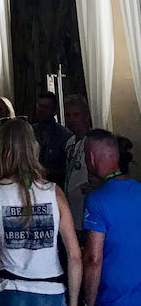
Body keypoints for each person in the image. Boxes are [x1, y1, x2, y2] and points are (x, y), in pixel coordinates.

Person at [0, 119, 82, 306]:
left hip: (12, 290)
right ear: (33, 148)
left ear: (1, 150)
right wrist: (74, 301)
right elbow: (75, 256)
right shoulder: (55, 192)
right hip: (52, 291)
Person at [82, 130, 141, 305]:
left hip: (112, 298)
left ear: (91, 158)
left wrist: (88, 301)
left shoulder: (96, 200)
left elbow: (93, 259)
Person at [64, 95, 92, 236]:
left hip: (87, 209)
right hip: (71, 209)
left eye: (76, 115)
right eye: (68, 115)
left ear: (86, 117)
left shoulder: (93, 142)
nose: (71, 119)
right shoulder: (70, 142)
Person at [33, 91, 72, 187]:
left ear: (55, 110)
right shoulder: (30, 132)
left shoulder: (65, 136)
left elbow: (70, 169)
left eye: (46, 107)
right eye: (39, 106)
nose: (42, 110)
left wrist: (50, 171)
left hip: (57, 187)